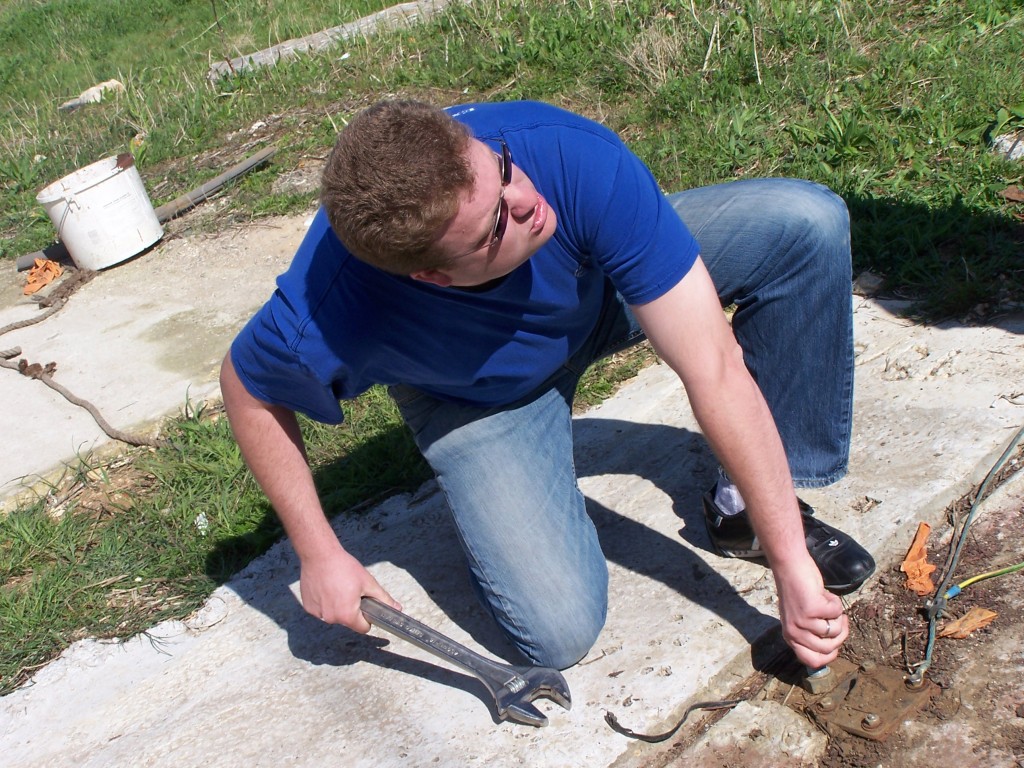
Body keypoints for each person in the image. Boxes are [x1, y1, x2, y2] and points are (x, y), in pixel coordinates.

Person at [220, 99, 874, 672]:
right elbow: (247, 388)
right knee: (558, 631)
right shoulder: (330, 308)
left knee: (802, 223)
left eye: (501, 169)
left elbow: (715, 367)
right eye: (494, 225)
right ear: (433, 277)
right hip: (479, 395)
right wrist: (319, 554)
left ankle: (744, 514)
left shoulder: (562, 154)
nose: (526, 201)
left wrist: (790, 561)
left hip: (600, 294)